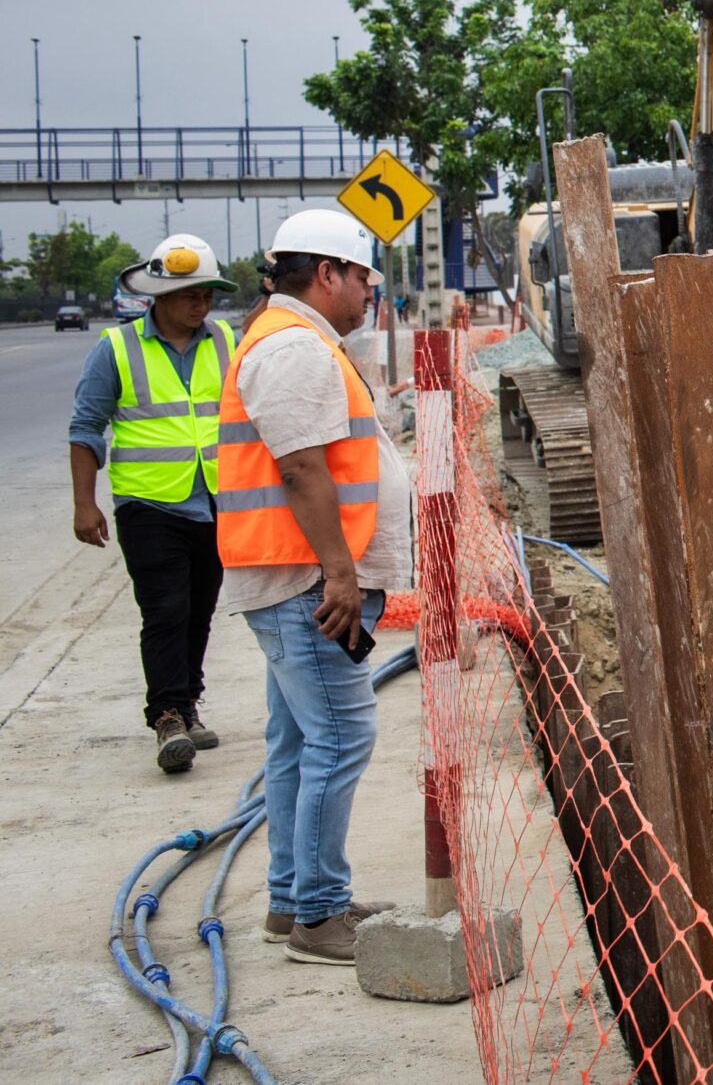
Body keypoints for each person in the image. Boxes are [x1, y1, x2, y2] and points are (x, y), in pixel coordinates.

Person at [215, 209, 413, 964]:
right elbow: (301, 469)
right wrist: (339, 571)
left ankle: (293, 897)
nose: (368, 292)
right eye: (362, 277)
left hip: (297, 577)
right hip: (307, 581)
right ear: (327, 273)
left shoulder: (296, 339)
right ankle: (319, 914)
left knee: (298, 739)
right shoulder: (294, 347)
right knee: (340, 734)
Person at [67, 234, 240, 774]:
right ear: (158, 297)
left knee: (200, 609)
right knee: (165, 610)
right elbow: (86, 427)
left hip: (214, 500)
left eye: (207, 294)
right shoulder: (116, 348)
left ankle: (188, 703)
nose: (201, 304)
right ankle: (167, 716)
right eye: (190, 294)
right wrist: (84, 504)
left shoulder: (225, 340)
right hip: (148, 504)